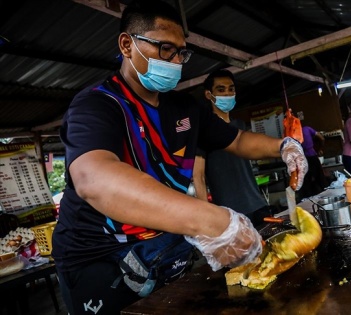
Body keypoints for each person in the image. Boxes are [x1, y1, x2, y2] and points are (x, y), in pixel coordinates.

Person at [52, 2, 308, 314]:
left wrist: (284, 147)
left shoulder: (186, 109)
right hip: (100, 259)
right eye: (165, 49)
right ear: (127, 45)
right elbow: (94, 180)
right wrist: (211, 220)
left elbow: (238, 139)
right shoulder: (97, 106)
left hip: (163, 249)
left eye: (181, 53)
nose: (175, 61)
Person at [192, 69, 275, 229]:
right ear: (209, 95)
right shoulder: (203, 131)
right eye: (221, 90)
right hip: (231, 213)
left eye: (231, 89)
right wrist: (207, 218)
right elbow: (198, 176)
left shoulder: (240, 126)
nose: (227, 94)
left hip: (258, 205)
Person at [298, 125, 329, 199]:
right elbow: (321, 138)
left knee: (306, 181)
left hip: (301, 159)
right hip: (311, 156)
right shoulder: (307, 129)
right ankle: (326, 196)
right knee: (320, 178)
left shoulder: (292, 133)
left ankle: (307, 199)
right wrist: (319, 149)